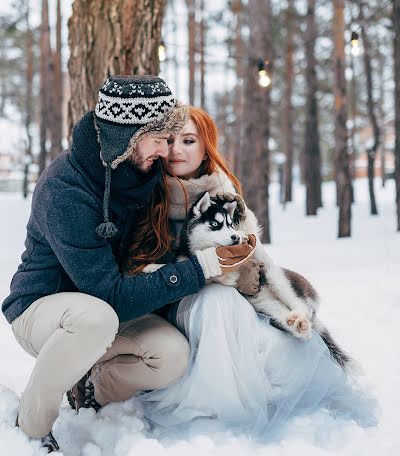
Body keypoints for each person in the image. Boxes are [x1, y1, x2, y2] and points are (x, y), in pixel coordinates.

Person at [1, 77, 255, 453]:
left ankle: (92, 392)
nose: (166, 149)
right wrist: (200, 269)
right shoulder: (65, 190)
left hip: (107, 312)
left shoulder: (142, 173)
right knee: (96, 317)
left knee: (171, 356)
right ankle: (31, 429)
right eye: (159, 138)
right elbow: (107, 295)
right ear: (129, 136)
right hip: (45, 311)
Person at [120, 106, 378, 440]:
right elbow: (135, 264)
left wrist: (258, 277)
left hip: (231, 299)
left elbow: (255, 252)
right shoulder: (147, 191)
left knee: (264, 336)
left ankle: (249, 394)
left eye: (188, 140)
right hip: (170, 301)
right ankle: (215, 403)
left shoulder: (223, 194)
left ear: (206, 146)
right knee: (217, 301)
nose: (177, 150)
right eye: (169, 140)